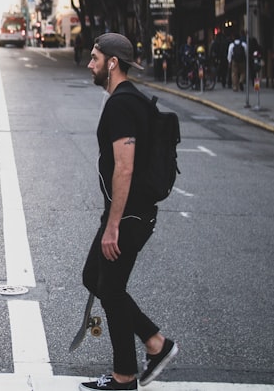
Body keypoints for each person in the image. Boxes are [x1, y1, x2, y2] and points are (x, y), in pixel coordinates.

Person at [79, 33, 178, 390]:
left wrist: (113, 226)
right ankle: (155, 344)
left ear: (112, 63)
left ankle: (127, 374)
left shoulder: (122, 104)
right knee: (95, 277)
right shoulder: (130, 100)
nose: (90, 64)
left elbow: (125, 167)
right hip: (130, 212)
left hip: (129, 216)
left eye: (94, 58)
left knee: (112, 288)